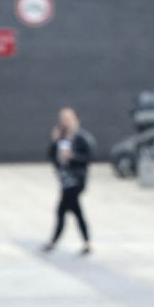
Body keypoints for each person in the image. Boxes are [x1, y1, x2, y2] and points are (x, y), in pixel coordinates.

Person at [42, 106, 95, 253]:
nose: (65, 122)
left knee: (61, 210)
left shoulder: (82, 138)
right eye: (62, 119)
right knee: (75, 211)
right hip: (64, 181)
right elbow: (51, 157)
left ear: (75, 120)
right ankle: (86, 243)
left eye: (68, 119)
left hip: (76, 181)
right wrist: (54, 141)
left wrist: (72, 157)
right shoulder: (61, 139)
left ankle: (53, 242)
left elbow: (88, 158)